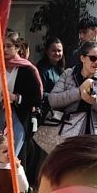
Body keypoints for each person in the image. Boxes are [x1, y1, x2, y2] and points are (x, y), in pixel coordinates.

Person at [51, 40, 97, 139]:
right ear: (82, 58)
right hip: (68, 136)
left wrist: (94, 101)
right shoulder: (69, 74)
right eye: (93, 58)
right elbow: (52, 100)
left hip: (96, 139)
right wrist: (78, 92)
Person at [31, 37, 71, 175]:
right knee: (43, 152)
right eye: (53, 50)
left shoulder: (62, 69)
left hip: (59, 116)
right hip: (46, 116)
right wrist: (59, 97)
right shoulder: (41, 69)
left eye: (59, 51)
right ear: (47, 51)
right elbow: (39, 93)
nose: (57, 53)